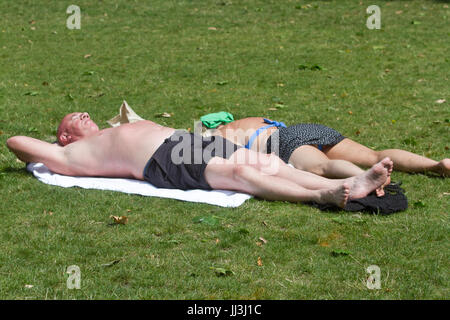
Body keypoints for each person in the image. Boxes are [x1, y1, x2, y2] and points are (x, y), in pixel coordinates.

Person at [6, 112, 394, 209]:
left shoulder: (110, 129)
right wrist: (52, 147)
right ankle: (323, 196)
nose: (81, 114)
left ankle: (350, 185)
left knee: (274, 166)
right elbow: (15, 141)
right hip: (163, 160)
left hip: (187, 141)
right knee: (243, 174)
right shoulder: (67, 154)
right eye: (72, 119)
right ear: (63, 136)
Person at [209, 117, 450, 179]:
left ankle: (365, 177)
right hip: (306, 129)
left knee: (321, 167)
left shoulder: (220, 135)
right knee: (374, 155)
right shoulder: (252, 120)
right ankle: (435, 165)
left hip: (282, 142)